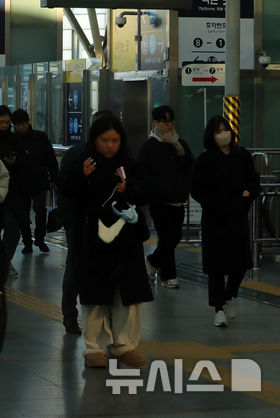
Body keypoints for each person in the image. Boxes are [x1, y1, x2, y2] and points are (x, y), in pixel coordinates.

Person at [59, 114, 153, 368]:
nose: (110, 145)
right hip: (92, 241)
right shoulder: (81, 159)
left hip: (125, 241)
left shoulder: (129, 164)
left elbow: (146, 191)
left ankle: (125, 344)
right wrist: (83, 177)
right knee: (95, 296)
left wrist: (128, 188)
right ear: (95, 140)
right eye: (104, 140)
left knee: (127, 296)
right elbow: (65, 190)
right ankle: (95, 347)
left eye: (115, 140)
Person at [190, 116, 260, 327]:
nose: (223, 134)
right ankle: (218, 308)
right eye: (218, 131)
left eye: (225, 129)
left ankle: (230, 296)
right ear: (211, 135)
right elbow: (196, 188)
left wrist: (249, 193)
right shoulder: (205, 160)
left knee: (241, 263)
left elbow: (253, 179)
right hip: (215, 219)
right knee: (217, 267)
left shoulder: (242, 155)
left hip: (238, 217)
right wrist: (212, 203)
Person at [56, 110, 115, 335]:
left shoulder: (115, 156)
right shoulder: (78, 154)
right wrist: (67, 218)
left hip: (106, 221)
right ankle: (70, 315)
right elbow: (64, 186)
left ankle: (103, 315)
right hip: (79, 220)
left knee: (102, 267)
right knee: (75, 265)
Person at [137, 105, 195, 289]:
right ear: (156, 122)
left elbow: (190, 168)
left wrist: (185, 185)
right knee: (166, 236)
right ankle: (169, 275)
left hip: (178, 198)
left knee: (174, 236)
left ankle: (153, 262)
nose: (169, 125)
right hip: (159, 200)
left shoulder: (180, 144)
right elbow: (142, 173)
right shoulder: (149, 146)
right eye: (165, 121)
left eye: (171, 121)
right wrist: (155, 189)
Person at [0, 105, 26, 274]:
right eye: (1, 122)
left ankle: (3, 261)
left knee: (13, 228)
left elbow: (24, 161)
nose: (4, 126)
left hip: (9, 194)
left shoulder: (14, 139)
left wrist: (14, 162)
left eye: (7, 123)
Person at [12, 109, 58, 254]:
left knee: (40, 211)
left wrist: (54, 177)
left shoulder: (40, 137)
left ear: (28, 122)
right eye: (18, 125)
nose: (21, 127)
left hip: (39, 181)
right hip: (20, 183)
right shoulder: (13, 140)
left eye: (23, 124)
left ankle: (40, 239)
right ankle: (27, 242)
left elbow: (50, 158)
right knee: (23, 214)